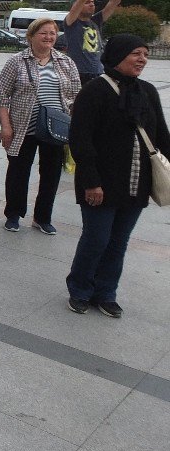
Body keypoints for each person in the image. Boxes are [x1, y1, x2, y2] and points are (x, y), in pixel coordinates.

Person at [66, 35, 170, 318]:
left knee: (119, 240)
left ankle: (106, 292)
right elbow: (80, 139)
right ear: (117, 55)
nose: (142, 59)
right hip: (100, 183)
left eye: (145, 54)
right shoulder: (94, 91)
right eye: (136, 53)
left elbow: (161, 134)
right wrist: (91, 181)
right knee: (96, 238)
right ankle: (80, 289)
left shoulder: (148, 92)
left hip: (136, 183)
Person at [0, 18, 80, 235]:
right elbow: (1, 96)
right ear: (31, 36)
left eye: (53, 33)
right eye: (44, 33)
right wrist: (5, 126)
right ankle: (13, 215)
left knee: (51, 174)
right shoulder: (17, 61)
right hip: (23, 126)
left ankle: (43, 217)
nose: (49, 37)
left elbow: (77, 96)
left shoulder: (65, 62)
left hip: (56, 127)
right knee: (18, 171)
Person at [64, 0, 129, 86]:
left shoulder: (96, 21)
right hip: (78, 74)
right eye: (88, 2)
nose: (91, 4)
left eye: (93, 2)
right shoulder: (72, 22)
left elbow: (115, 1)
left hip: (98, 73)